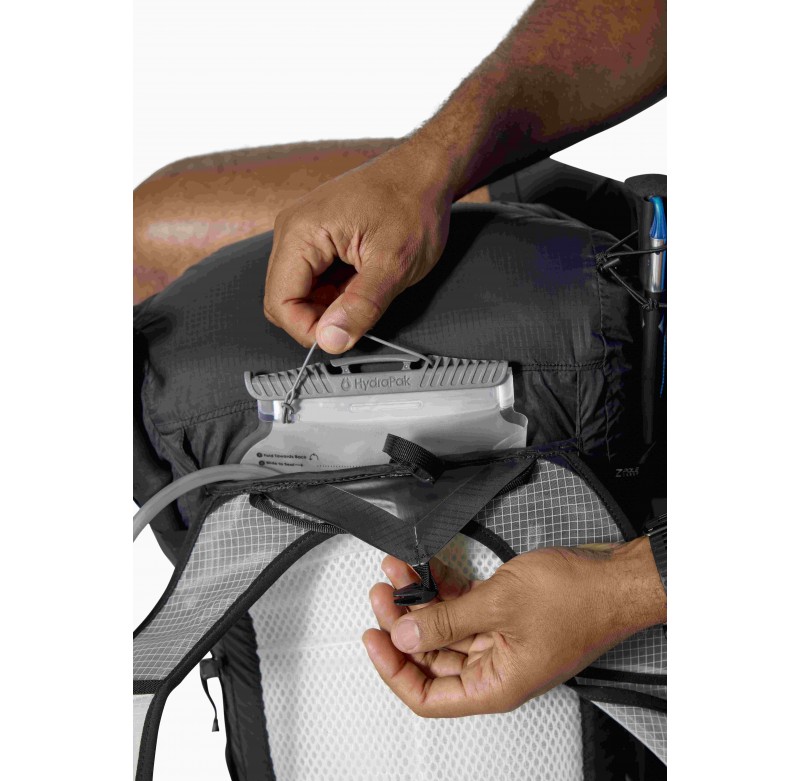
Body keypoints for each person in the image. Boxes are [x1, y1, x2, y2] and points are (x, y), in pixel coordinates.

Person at [134, 0, 666, 726]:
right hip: (638, 250)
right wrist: (430, 166)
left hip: (616, 364)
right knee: (148, 235)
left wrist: (629, 588)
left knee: (169, 388)